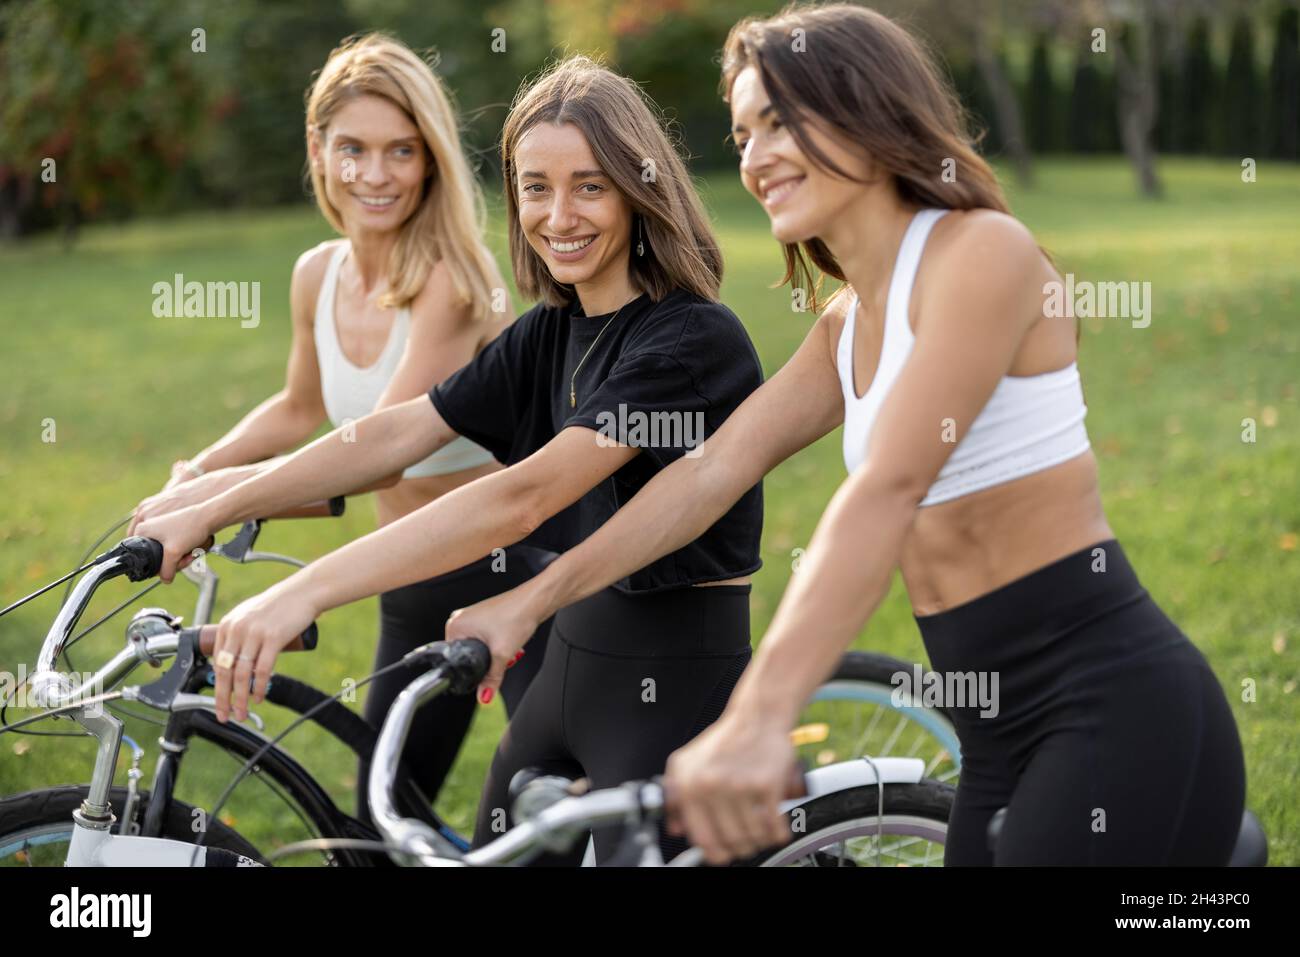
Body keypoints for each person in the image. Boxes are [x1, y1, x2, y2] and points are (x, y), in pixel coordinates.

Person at [441, 4, 1248, 866]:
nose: (754, 156)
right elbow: (710, 472)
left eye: (782, 123)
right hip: (997, 733)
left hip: (1108, 705)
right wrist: (535, 597)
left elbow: (885, 491)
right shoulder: (846, 324)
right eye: (744, 131)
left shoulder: (984, 254)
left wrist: (756, 718)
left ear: (870, 111)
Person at [133, 55, 767, 865]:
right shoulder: (551, 329)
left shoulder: (689, 339)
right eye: (535, 186)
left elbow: (523, 499)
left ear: (641, 191)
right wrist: (213, 500)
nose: (558, 214)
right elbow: (397, 433)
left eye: (590, 186)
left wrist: (303, 590)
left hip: (669, 677)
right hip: (567, 658)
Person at [126, 33, 554, 824]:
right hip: (410, 569)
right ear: (318, 149)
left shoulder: (450, 280)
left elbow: (379, 455)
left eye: (402, 150)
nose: (377, 174)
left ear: (429, 161)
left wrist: (216, 501)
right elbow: (298, 406)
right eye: (352, 148)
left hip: (519, 567)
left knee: (546, 814)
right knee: (384, 811)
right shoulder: (316, 272)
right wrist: (199, 472)